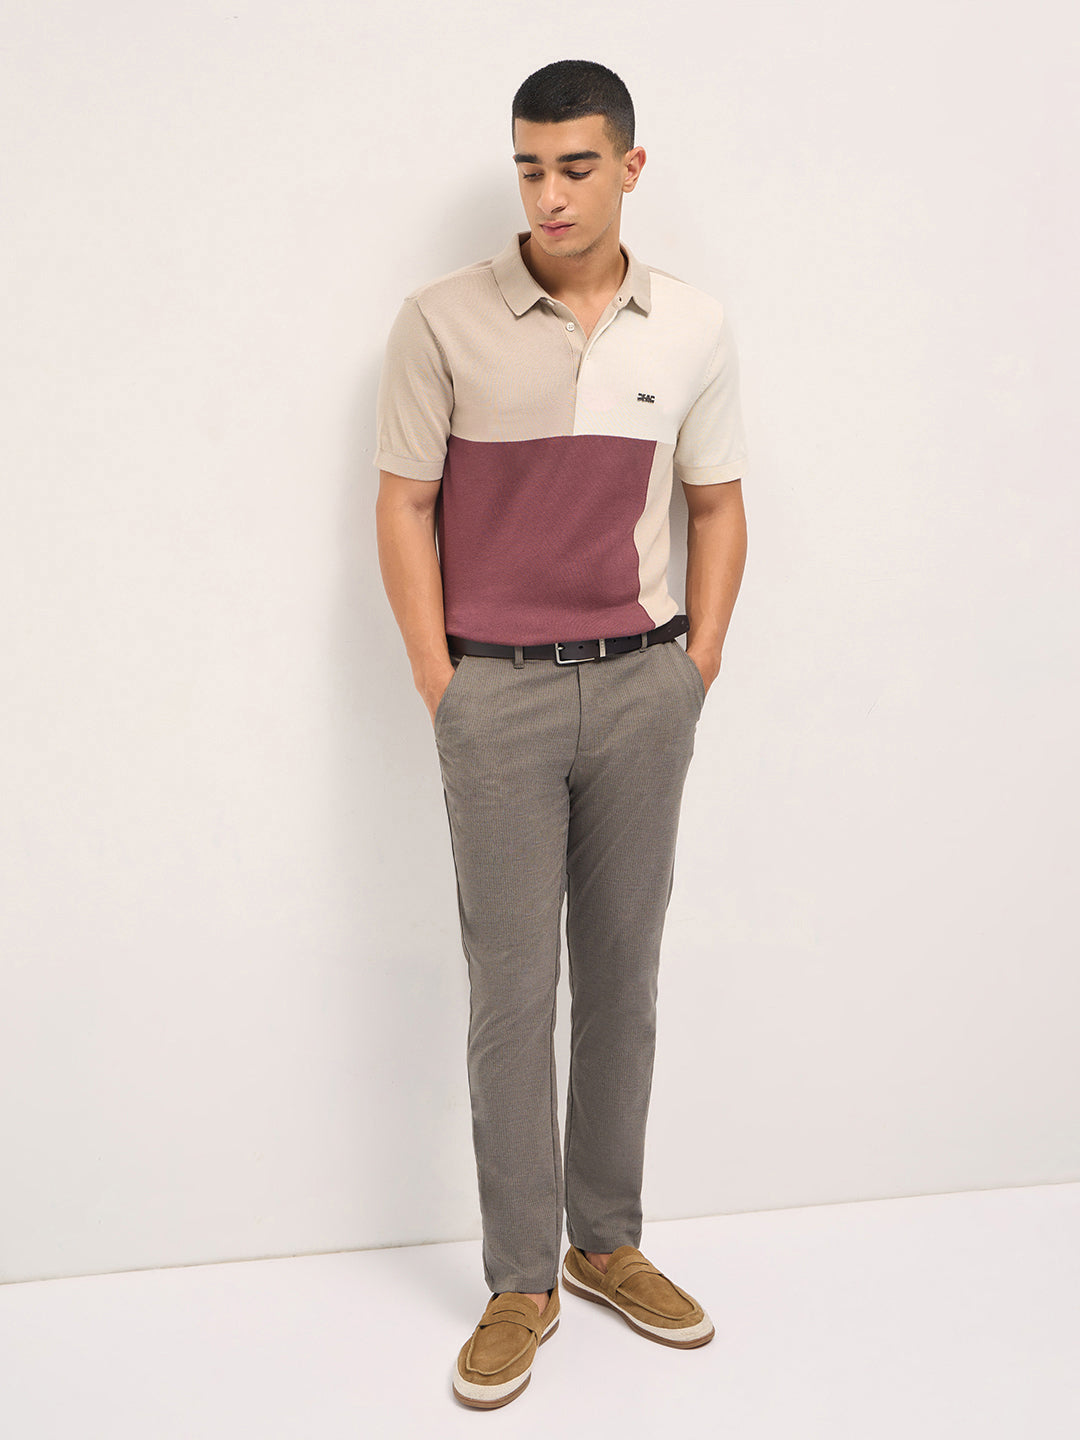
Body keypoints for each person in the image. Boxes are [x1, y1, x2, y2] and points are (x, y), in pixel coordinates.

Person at [374, 58, 748, 1410]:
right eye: (530, 168)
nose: (550, 193)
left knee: (624, 980)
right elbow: (403, 503)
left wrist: (697, 665)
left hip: (644, 687)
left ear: (630, 168)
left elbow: (717, 503)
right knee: (513, 992)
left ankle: (606, 1243)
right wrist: (445, 682)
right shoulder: (441, 320)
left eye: (577, 166)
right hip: (498, 697)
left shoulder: (691, 323)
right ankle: (520, 1279)